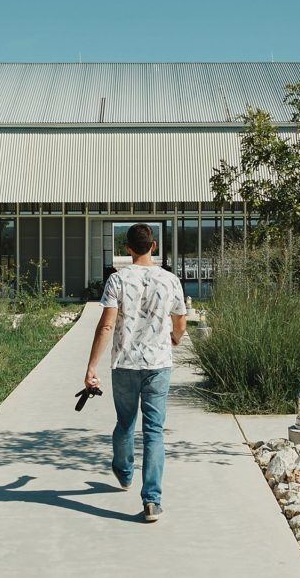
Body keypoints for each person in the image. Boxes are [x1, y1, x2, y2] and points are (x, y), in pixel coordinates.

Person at [83, 223, 187, 522]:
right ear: (152, 246)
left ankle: (124, 470)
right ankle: (152, 501)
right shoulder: (170, 281)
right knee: (154, 431)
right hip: (158, 365)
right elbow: (180, 322)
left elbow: (106, 325)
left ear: (127, 249)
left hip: (125, 364)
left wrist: (91, 367)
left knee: (125, 423)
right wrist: (174, 339)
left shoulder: (118, 280)